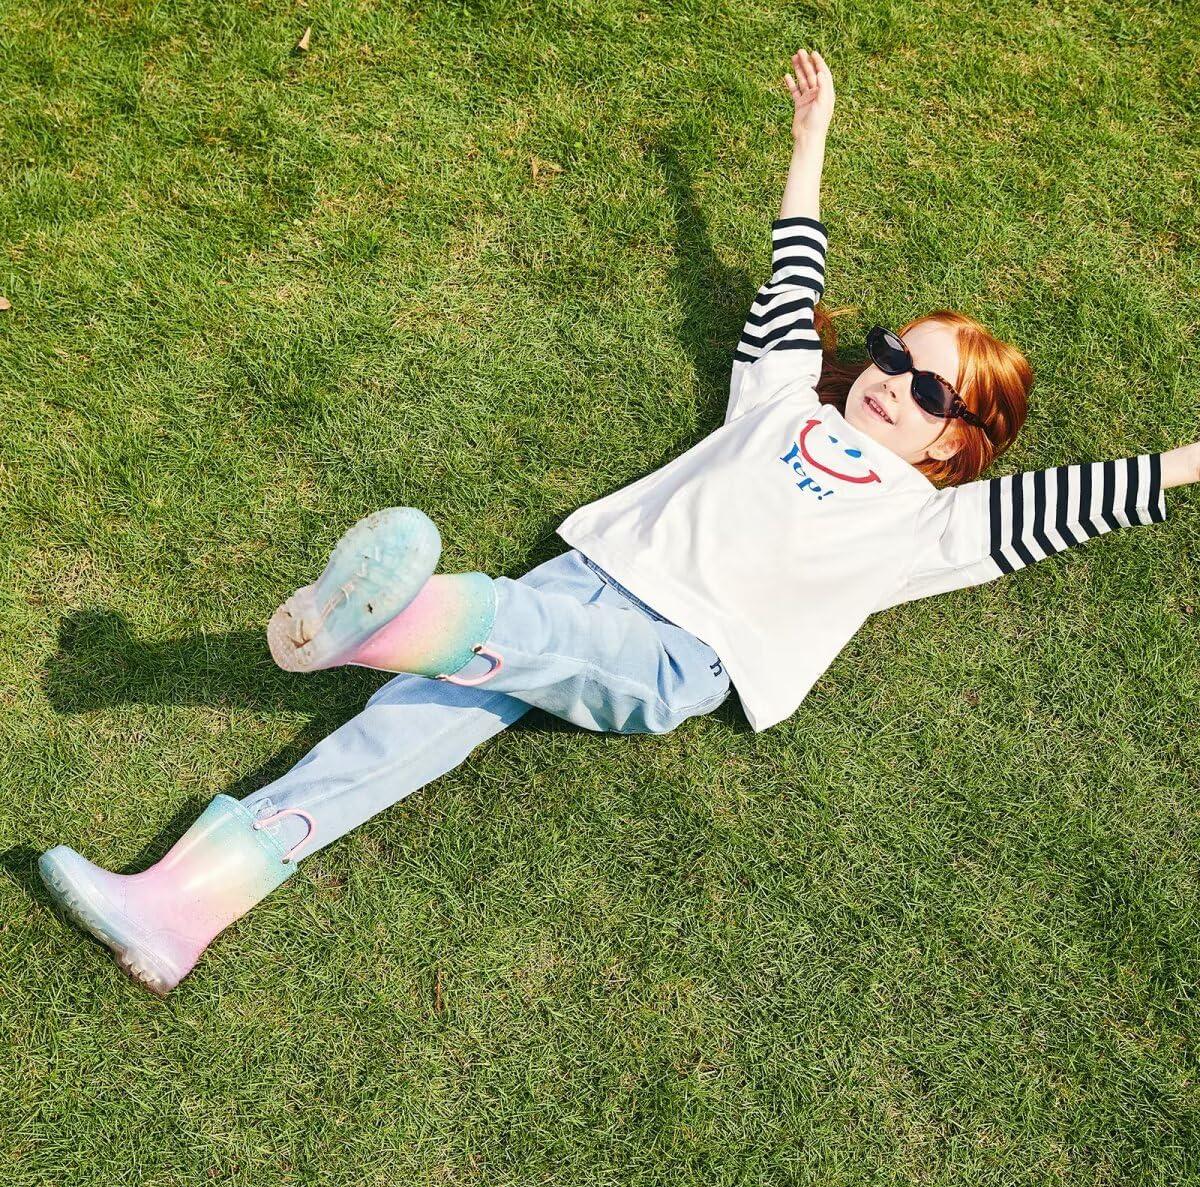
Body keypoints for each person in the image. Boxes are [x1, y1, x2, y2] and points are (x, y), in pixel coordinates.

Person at [38, 50, 1198, 998]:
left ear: (956, 444)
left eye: (929, 392)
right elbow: (790, 287)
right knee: (401, 735)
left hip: (678, 655)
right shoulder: (784, 393)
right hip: (587, 577)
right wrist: (811, 143)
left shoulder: (929, 524)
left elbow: (1090, 497)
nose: (893, 381)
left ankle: (412, 618)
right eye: (896, 354)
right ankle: (176, 907)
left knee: (500, 643)